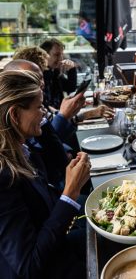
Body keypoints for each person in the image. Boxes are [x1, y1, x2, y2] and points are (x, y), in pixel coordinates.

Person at [0, 70, 91, 278]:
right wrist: (70, 193)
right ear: (14, 115)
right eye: (39, 106)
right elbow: (29, 266)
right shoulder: (3, 176)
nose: (44, 113)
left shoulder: (22, 149)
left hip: (57, 243)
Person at [40, 38, 78, 110]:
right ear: (45, 55)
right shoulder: (41, 75)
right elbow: (48, 105)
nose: (60, 58)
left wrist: (71, 69)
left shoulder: (54, 72)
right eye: (57, 55)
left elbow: (70, 88)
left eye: (61, 55)